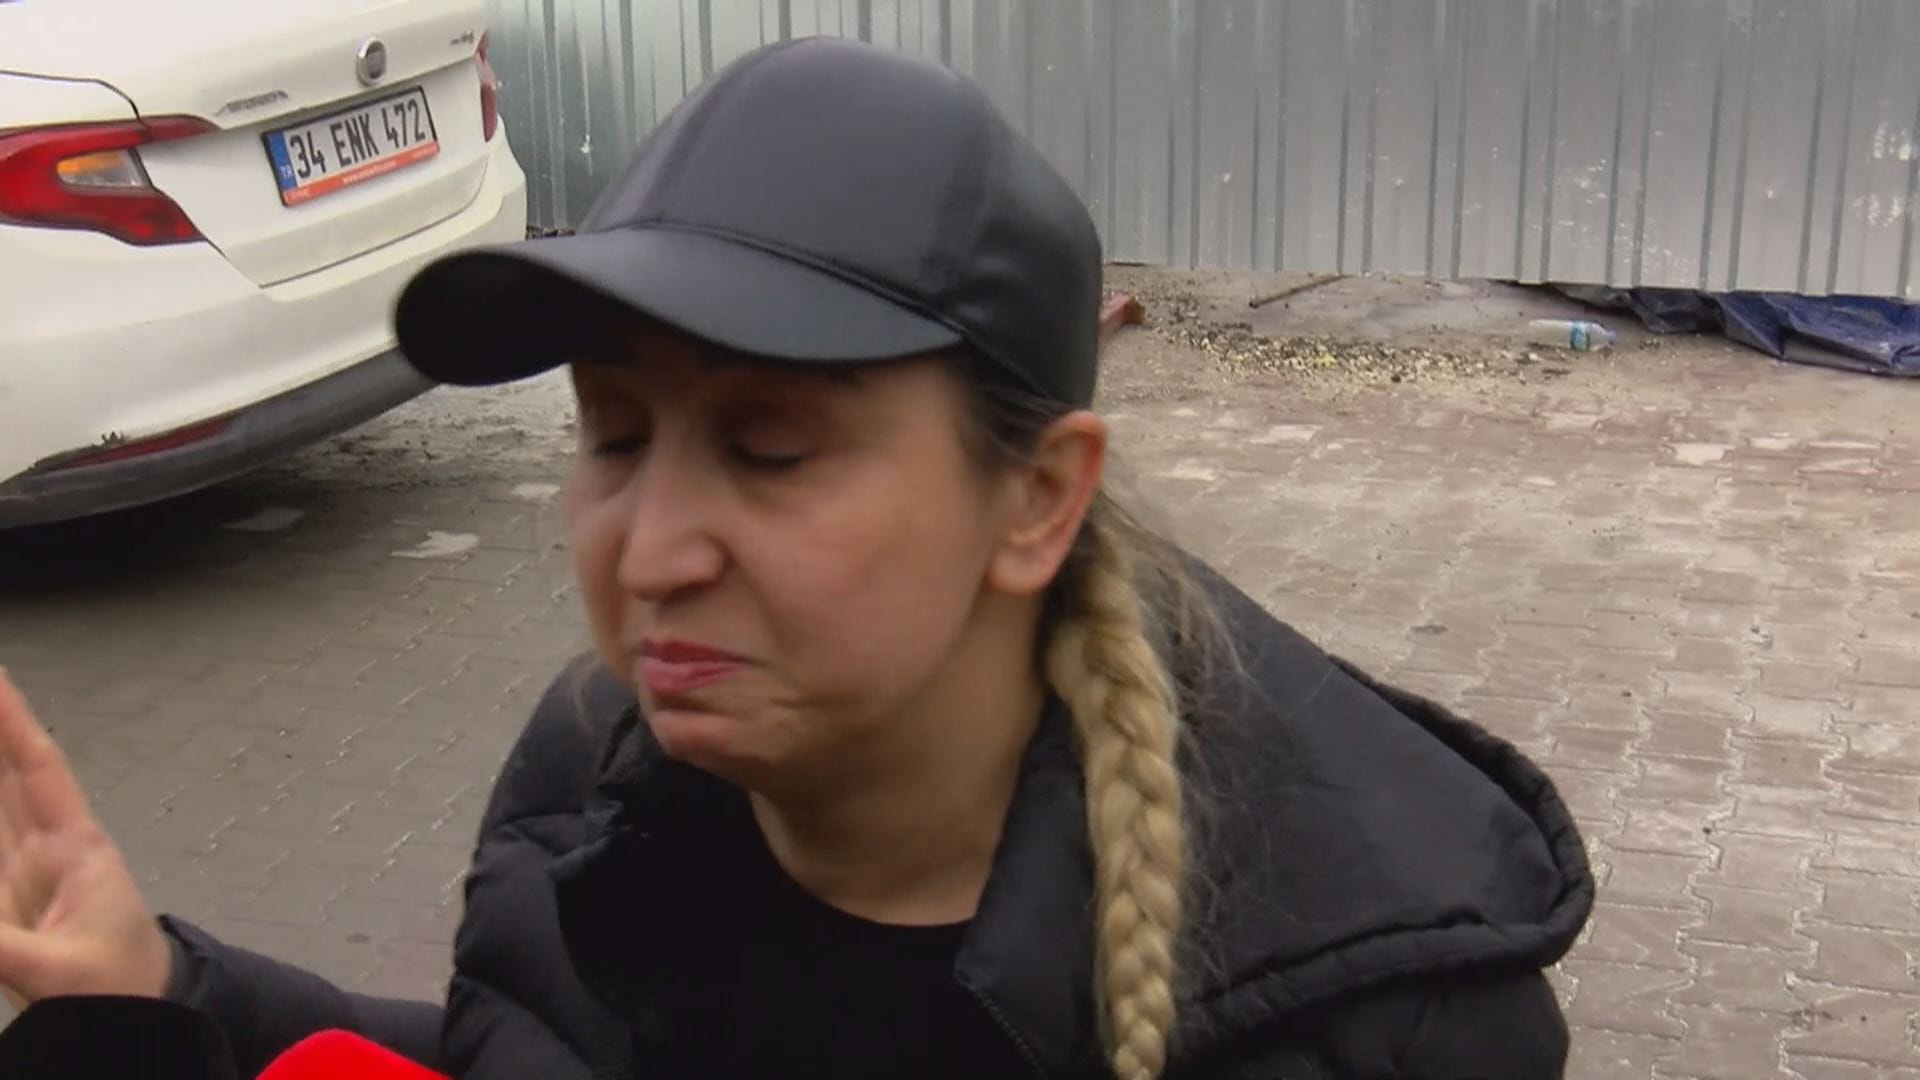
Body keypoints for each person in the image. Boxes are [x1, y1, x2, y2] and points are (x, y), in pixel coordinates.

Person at [0, 36, 1592, 1080]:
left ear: (1037, 500)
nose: (651, 553)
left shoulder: (1380, 1021)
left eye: (769, 449)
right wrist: (169, 1002)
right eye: (615, 435)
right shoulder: (592, 772)